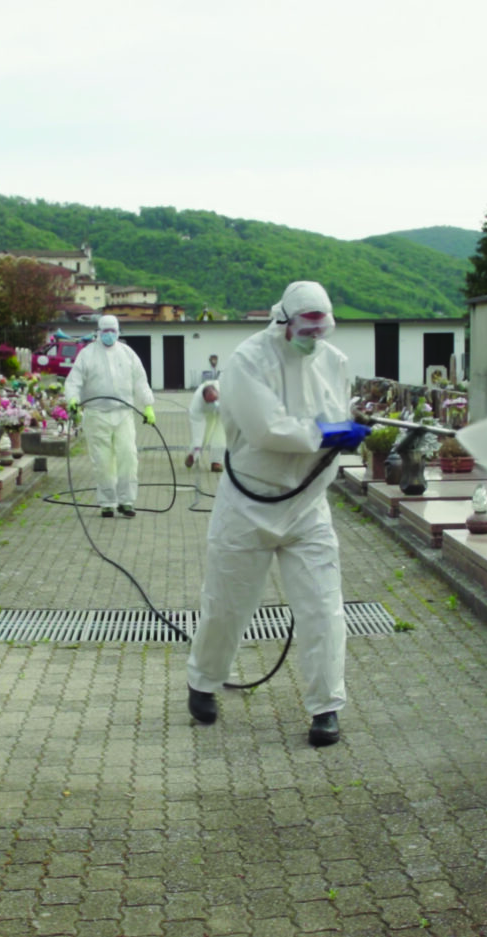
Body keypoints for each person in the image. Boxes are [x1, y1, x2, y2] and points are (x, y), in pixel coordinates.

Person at [185, 281, 368, 747]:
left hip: (307, 507)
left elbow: (334, 414)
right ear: (283, 321)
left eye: (321, 331)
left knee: (323, 606)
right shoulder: (248, 360)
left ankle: (326, 707)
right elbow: (267, 429)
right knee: (226, 603)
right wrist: (325, 435)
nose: (313, 340)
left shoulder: (334, 362)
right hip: (248, 502)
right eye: (306, 331)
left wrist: (343, 432)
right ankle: (204, 682)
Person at [65, 315, 156, 518]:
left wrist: (148, 405)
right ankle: (107, 503)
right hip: (96, 414)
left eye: (112, 331)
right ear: (98, 332)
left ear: (118, 331)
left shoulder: (127, 354)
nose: (109, 335)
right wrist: (72, 399)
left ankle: (126, 501)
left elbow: (140, 380)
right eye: (105, 331)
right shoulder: (87, 355)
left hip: (123, 414)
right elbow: (74, 380)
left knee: (128, 456)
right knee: (103, 460)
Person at [184, 380, 224, 473]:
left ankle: (216, 462)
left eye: (215, 399)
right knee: (203, 436)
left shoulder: (225, 389)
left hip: (222, 412)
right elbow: (197, 428)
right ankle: (192, 455)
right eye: (210, 401)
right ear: (204, 399)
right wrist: (197, 446)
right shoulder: (196, 404)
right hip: (205, 414)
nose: (214, 403)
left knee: (221, 437)